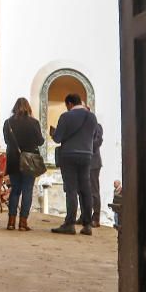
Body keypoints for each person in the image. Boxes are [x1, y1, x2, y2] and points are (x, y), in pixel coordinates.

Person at [49, 93, 98, 236]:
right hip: (86, 155)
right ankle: (87, 224)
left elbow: (58, 138)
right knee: (85, 189)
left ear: (69, 103)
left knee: (71, 189)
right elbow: (94, 137)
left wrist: (53, 133)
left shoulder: (66, 116)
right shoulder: (92, 117)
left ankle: (70, 223)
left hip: (69, 155)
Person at [2, 97, 44, 231]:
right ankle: (23, 222)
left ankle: (11, 221)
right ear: (28, 108)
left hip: (14, 159)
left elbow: (7, 140)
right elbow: (40, 141)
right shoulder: (34, 123)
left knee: (15, 190)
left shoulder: (8, 123)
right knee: (27, 190)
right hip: (29, 160)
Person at [90, 122, 104, 227]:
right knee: (82, 191)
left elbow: (98, 141)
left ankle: (96, 218)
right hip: (83, 162)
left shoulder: (96, 125)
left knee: (94, 191)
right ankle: (85, 216)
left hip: (93, 163)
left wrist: (85, 144)